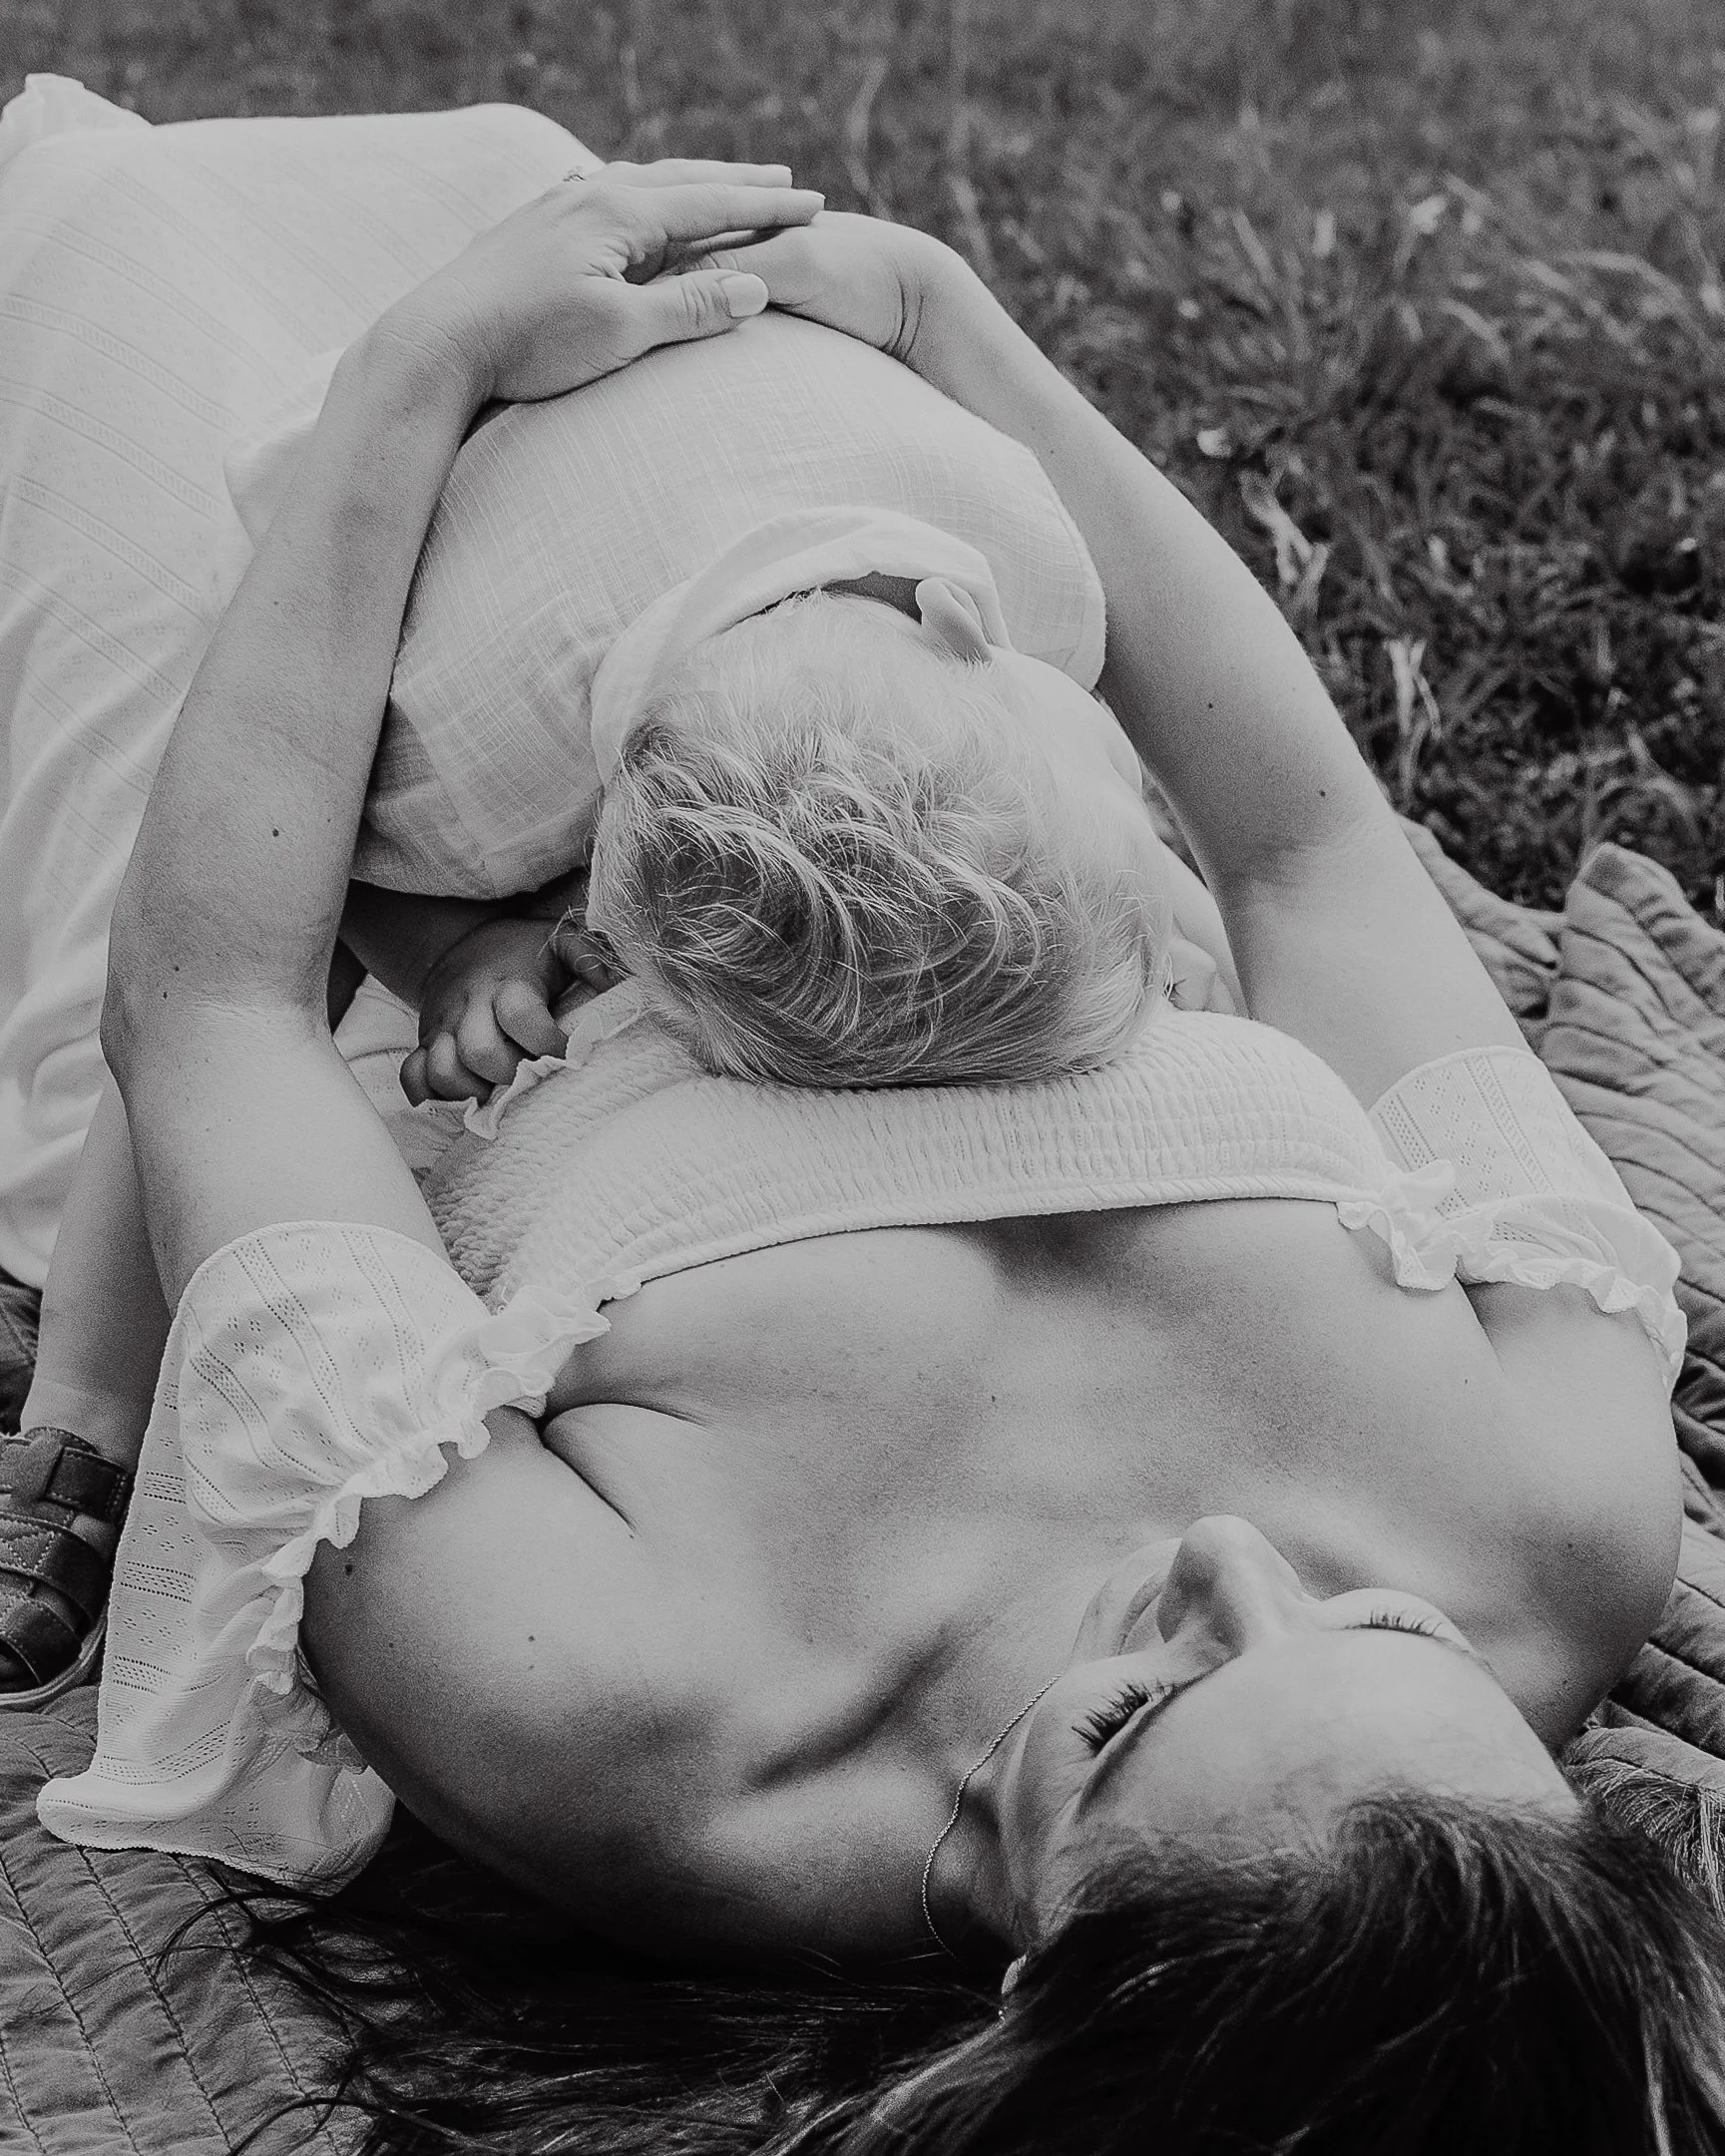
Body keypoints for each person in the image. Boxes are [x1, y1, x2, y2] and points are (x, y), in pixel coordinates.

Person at [13, 145, 1721, 2146]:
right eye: (1384, 1626)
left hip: (375, 883)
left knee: (103, 256)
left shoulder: (627, 1714)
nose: (1225, 1554)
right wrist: (941, 319)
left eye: (1131, 1712)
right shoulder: (1559, 1529)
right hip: (925, 745)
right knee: (532, 196)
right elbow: (1306, 851)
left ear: (1034, 1968)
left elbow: (215, 1011)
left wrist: (413, 383)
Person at [0, 83, 1231, 1704]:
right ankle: (81, 1424)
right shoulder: (461, 739)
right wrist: (459, 939)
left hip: (675, 324)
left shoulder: (1032, 563)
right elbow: (287, 877)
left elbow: (1124, 824)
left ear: (968, 628)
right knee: (199, 1007)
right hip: (411, 448)